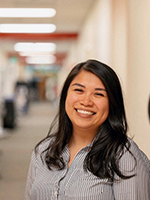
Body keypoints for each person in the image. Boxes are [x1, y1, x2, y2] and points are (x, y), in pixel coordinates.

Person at [25, 59, 150, 200]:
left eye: (99, 94)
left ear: (112, 103)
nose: (86, 101)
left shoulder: (124, 156)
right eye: (79, 90)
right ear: (65, 95)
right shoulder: (43, 150)